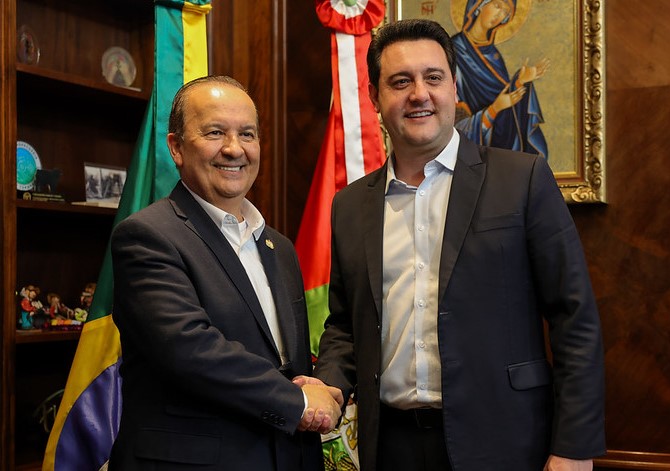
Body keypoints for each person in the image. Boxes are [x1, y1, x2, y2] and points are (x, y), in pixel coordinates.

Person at [306, 19, 605, 471]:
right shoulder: (349, 206)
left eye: (433, 77)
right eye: (400, 82)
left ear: (453, 86)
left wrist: (574, 447)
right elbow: (346, 324)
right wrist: (329, 383)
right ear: (374, 97)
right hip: (391, 446)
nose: (419, 94)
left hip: (505, 441)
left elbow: (574, 316)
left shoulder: (521, 180)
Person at [108, 75, 342, 470]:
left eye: (247, 134)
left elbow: (290, 362)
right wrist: (299, 402)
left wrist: (319, 389)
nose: (234, 149)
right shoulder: (147, 236)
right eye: (215, 132)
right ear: (176, 147)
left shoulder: (279, 248)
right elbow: (191, 351)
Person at [453, 0, 550, 159]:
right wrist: (495, 108)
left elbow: (504, 99)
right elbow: (456, 121)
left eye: (505, 12)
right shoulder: (453, 51)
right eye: (497, 6)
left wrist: (520, 82)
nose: (499, 15)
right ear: (478, 6)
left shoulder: (494, 56)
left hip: (500, 136)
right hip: (476, 142)